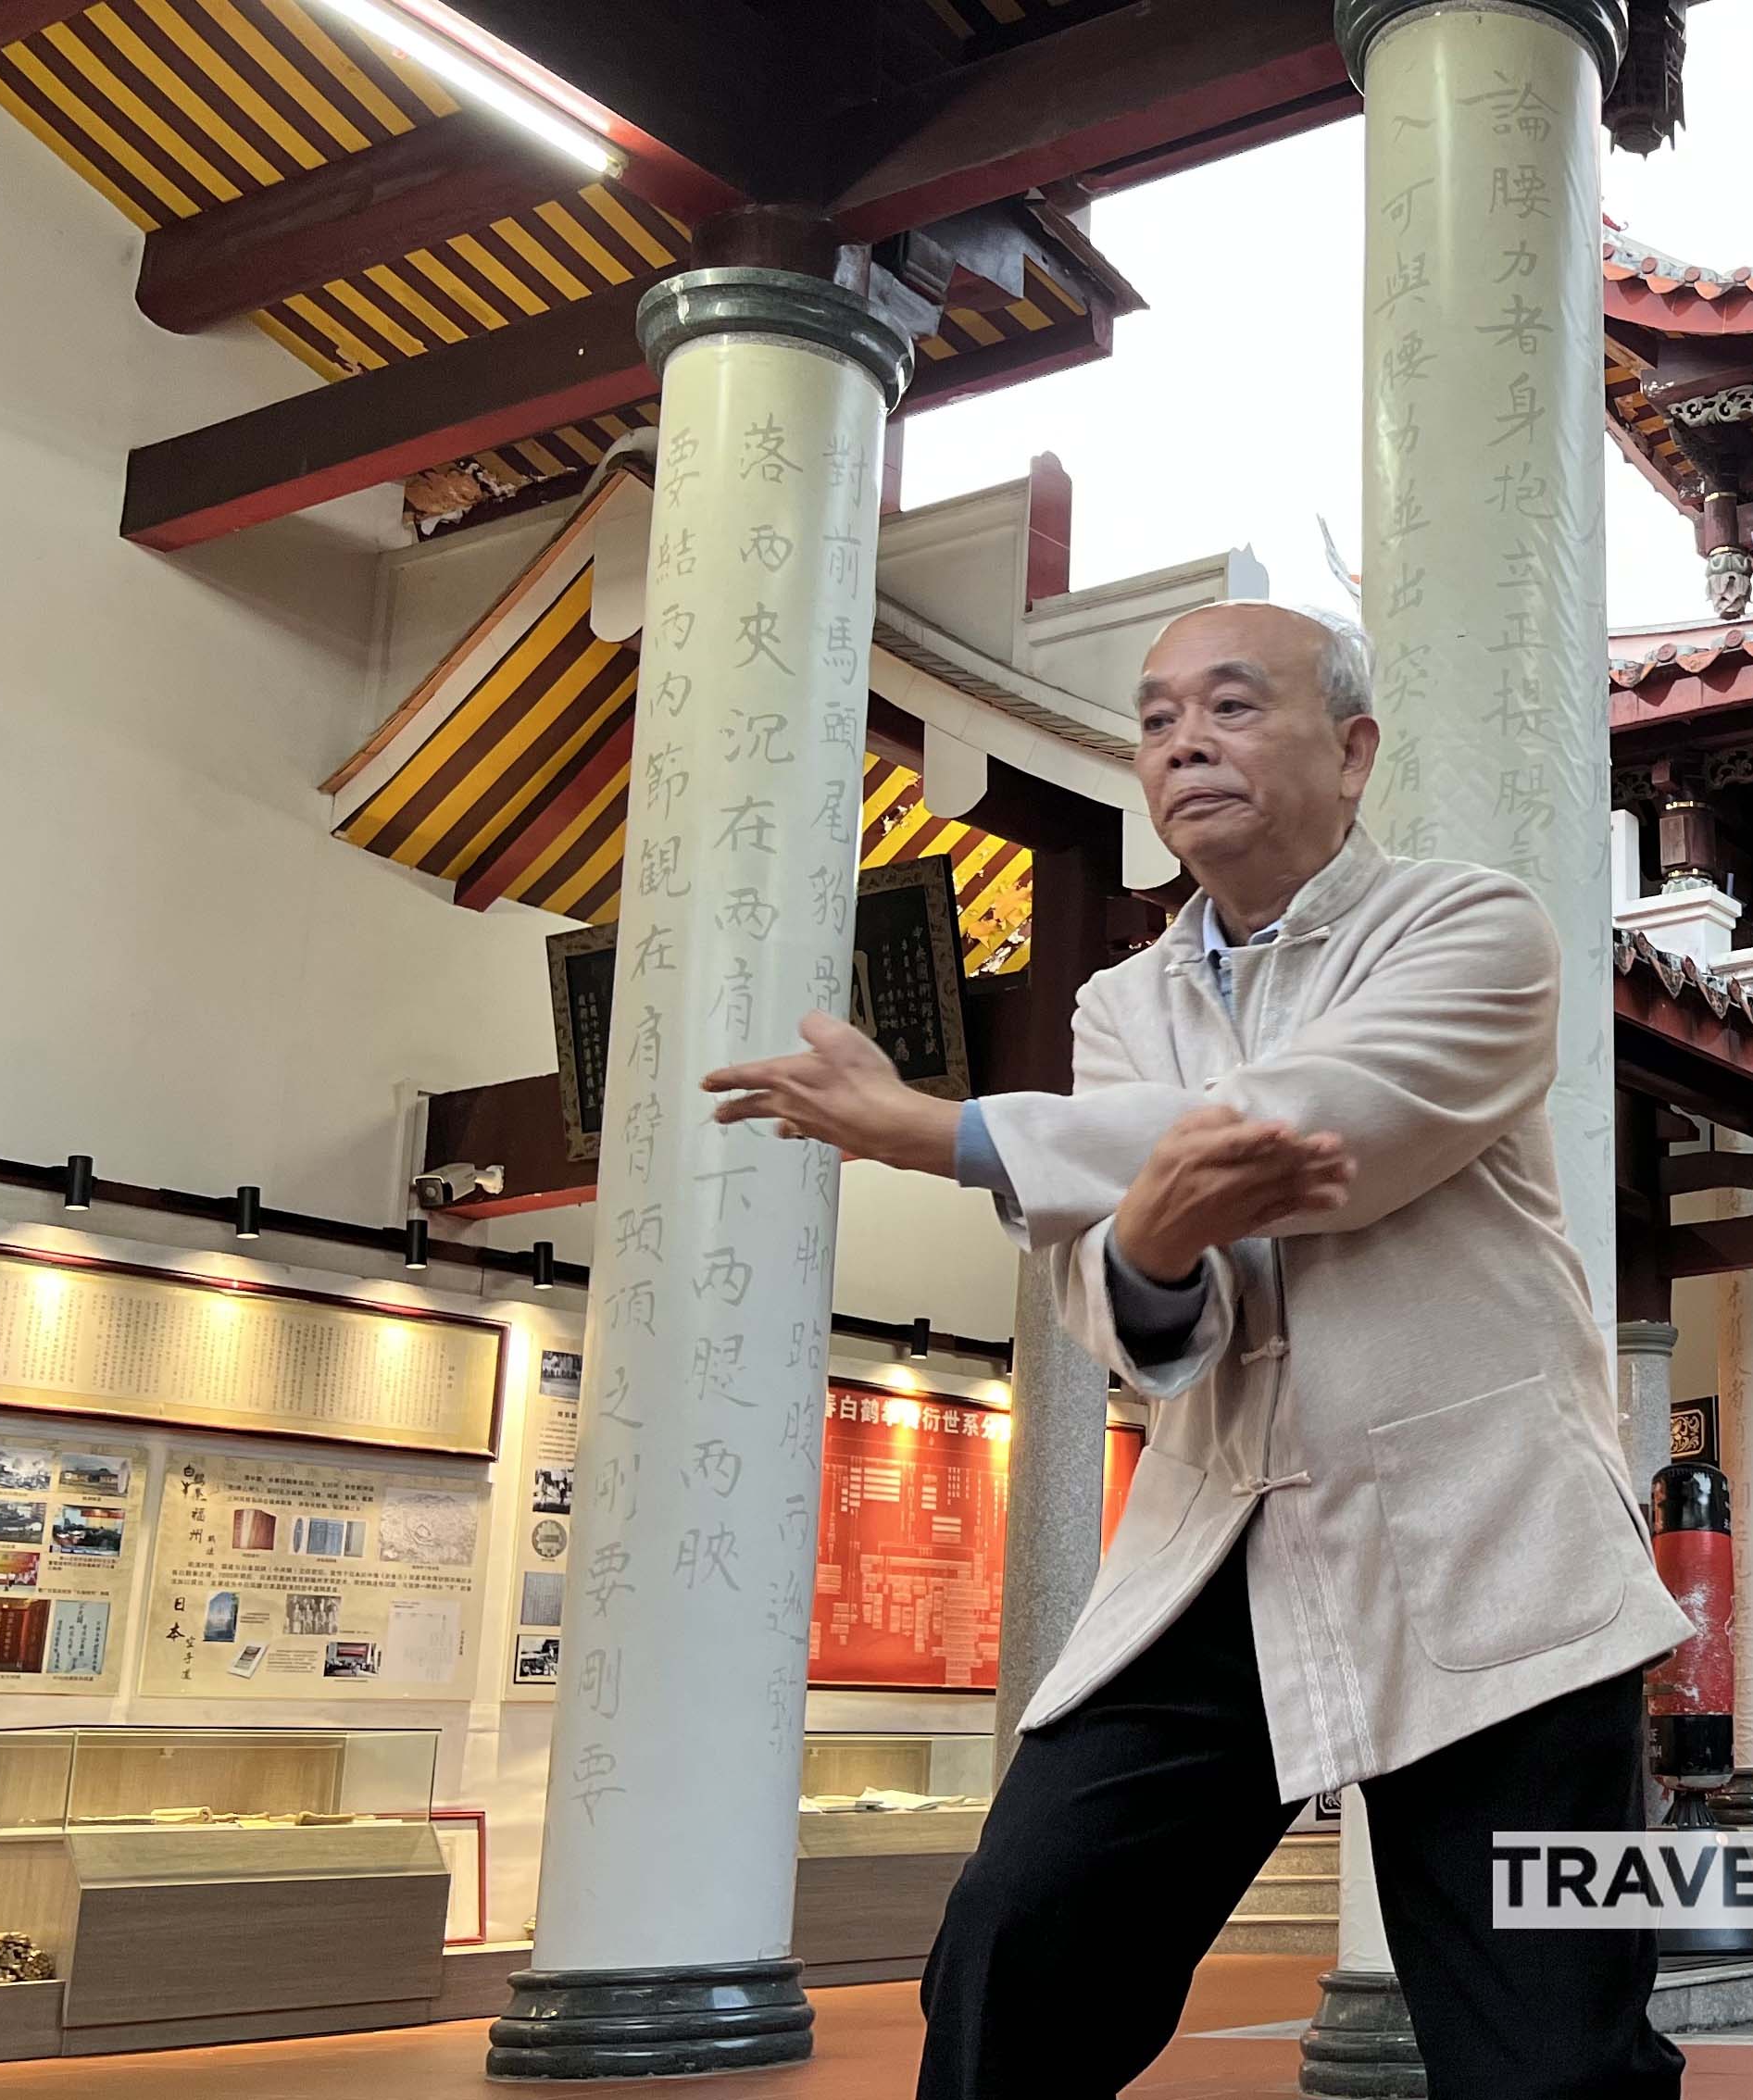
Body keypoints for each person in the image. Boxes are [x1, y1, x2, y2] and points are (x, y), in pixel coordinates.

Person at [698, 603, 1688, 2100]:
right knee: (1013, 1956)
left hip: (1494, 1540)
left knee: (1549, 2055)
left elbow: (1305, 1138)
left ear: (1353, 752)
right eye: (1157, 720)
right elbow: (1125, 1293)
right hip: (1215, 1542)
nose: (1183, 744)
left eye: (1230, 707)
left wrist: (940, 1130)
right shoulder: (1120, 1005)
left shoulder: (1472, 928)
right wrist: (1153, 1248)